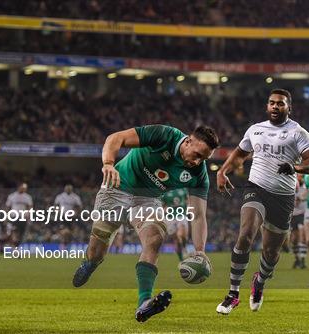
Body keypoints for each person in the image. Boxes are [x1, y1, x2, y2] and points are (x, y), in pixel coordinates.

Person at [72, 124, 219, 322]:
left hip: (147, 200)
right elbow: (115, 138)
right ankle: (91, 262)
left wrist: (200, 250)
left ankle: (144, 303)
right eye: (197, 154)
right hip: (116, 188)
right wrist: (108, 163)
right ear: (188, 141)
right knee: (96, 250)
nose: (198, 161)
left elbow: (199, 215)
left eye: (204, 158)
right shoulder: (163, 135)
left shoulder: (198, 174)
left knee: (155, 239)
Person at [215, 89, 309, 315]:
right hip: (256, 189)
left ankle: (259, 283)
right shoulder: (255, 129)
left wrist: (295, 167)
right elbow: (240, 154)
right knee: (245, 235)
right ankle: (233, 294)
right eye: (271, 103)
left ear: (288, 108)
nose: (275, 106)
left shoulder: (298, 132)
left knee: (272, 252)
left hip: (283, 197)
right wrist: (223, 171)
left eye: (280, 104)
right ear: (267, 106)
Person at [162, 188, 190, 261]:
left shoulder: (183, 189)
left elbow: (188, 201)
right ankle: (181, 259)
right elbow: (162, 206)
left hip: (181, 215)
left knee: (181, 234)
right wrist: (165, 209)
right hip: (169, 217)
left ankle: (184, 247)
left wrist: (188, 208)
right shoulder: (164, 192)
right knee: (176, 239)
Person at [54, 184, 82, 249]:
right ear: (65, 189)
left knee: (69, 232)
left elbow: (79, 206)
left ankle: (66, 244)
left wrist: (76, 213)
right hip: (63, 216)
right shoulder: (60, 196)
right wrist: (57, 211)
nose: (68, 190)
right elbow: (56, 205)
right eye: (67, 189)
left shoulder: (75, 197)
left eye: (69, 189)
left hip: (71, 217)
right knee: (64, 231)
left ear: (71, 189)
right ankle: (63, 244)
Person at [5, 183, 33, 247]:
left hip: (23, 218)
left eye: (25, 188)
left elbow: (30, 207)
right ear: (19, 187)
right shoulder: (12, 196)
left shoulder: (28, 197)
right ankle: (13, 248)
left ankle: (16, 248)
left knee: (21, 234)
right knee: (14, 232)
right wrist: (6, 216)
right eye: (23, 187)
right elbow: (7, 207)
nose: (24, 189)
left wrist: (29, 217)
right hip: (14, 217)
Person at [290, 175, 308, 269]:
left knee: (302, 236)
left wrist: (302, 198)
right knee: (294, 239)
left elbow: (307, 193)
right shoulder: (291, 184)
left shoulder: (306, 185)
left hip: (303, 213)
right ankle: (297, 258)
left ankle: (302, 260)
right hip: (293, 214)